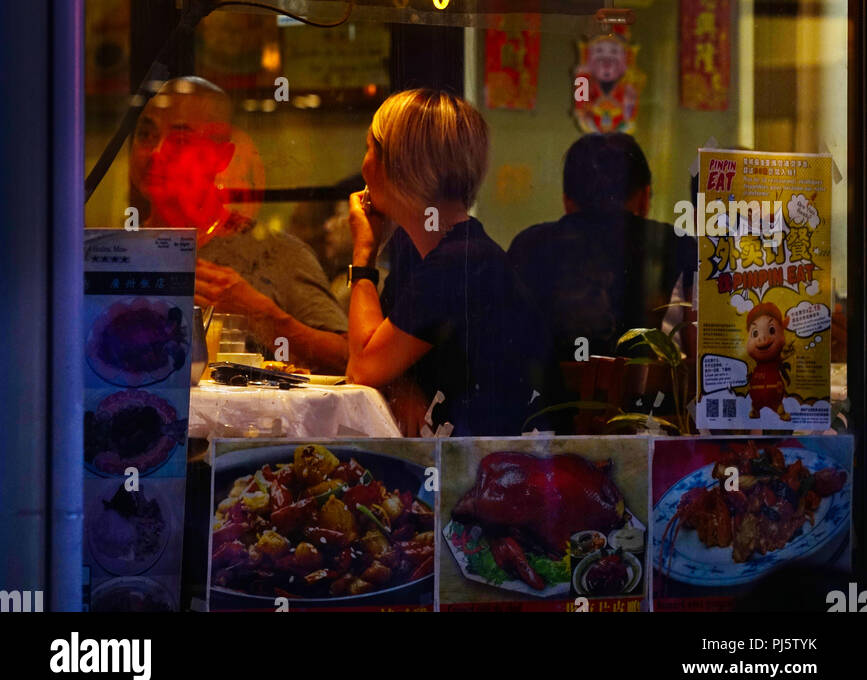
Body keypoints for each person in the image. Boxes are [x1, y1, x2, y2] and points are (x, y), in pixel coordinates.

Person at [345, 89, 550, 436]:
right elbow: (380, 353)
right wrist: (402, 384)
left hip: (500, 470)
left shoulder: (459, 263)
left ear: (398, 165)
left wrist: (364, 255)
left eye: (369, 148)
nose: (363, 165)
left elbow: (362, 367)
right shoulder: (441, 253)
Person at [130, 76, 348, 372]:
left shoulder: (277, 254)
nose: (155, 153)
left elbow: (346, 360)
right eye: (146, 134)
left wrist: (263, 315)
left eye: (179, 140)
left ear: (221, 157)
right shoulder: (111, 251)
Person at [508, 133, 692, 360]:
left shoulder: (528, 246)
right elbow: (696, 357)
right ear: (645, 198)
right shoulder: (675, 244)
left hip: (549, 395)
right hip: (647, 395)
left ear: (567, 201)